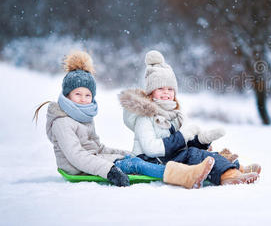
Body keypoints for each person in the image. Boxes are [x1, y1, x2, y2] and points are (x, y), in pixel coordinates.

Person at [34, 50, 215, 189]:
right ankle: (183, 175)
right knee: (137, 164)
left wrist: (124, 153)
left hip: (95, 159)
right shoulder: (62, 122)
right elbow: (77, 156)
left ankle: (197, 169)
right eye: (77, 94)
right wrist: (109, 170)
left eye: (87, 95)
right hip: (77, 166)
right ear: (67, 95)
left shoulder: (83, 118)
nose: (83, 99)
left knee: (133, 159)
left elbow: (98, 148)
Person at [119, 50, 260, 185]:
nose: (166, 93)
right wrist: (181, 136)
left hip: (168, 156)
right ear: (151, 93)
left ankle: (235, 168)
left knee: (201, 151)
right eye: (160, 89)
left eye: (170, 89)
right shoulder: (145, 117)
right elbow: (151, 148)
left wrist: (202, 140)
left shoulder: (175, 114)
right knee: (193, 155)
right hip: (150, 161)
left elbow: (183, 143)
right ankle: (228, 176)